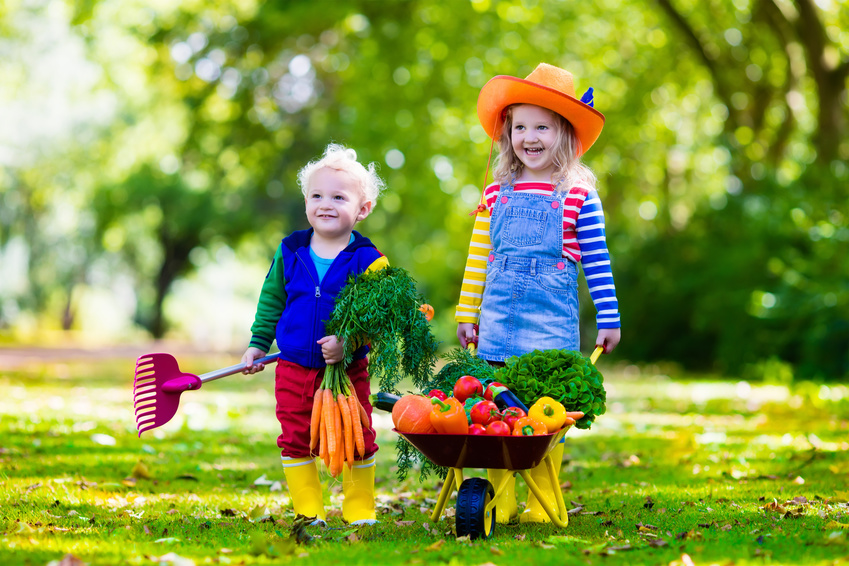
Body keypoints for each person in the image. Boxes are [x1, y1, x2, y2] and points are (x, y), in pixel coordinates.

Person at [454, 63, 621, 523]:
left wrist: (609, 318)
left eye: (542, 126)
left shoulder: (578, 196)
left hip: (550, 331)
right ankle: (501, 499)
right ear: (508, 134)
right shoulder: (495, 194)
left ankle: (539, 501)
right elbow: (478, 260)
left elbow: (599, 264)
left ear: (565, 133)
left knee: (546, 419)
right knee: (496, 417)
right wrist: (467, 312)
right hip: (496, 327)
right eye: (520, 126)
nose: (529, 137)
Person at [241, 143, 388, 526]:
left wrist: (350, 341)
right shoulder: (290, 250)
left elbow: (377, 316)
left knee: (357, 435)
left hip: (345, 373)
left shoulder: (370, 260)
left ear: (363, 209)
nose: (326, 204)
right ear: (306, 201)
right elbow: (271, 299)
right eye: (317, 195)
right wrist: (258, 344)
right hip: (293, 368)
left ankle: (359, 508)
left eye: (339, 197)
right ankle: (309, 511)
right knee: (294, 436)